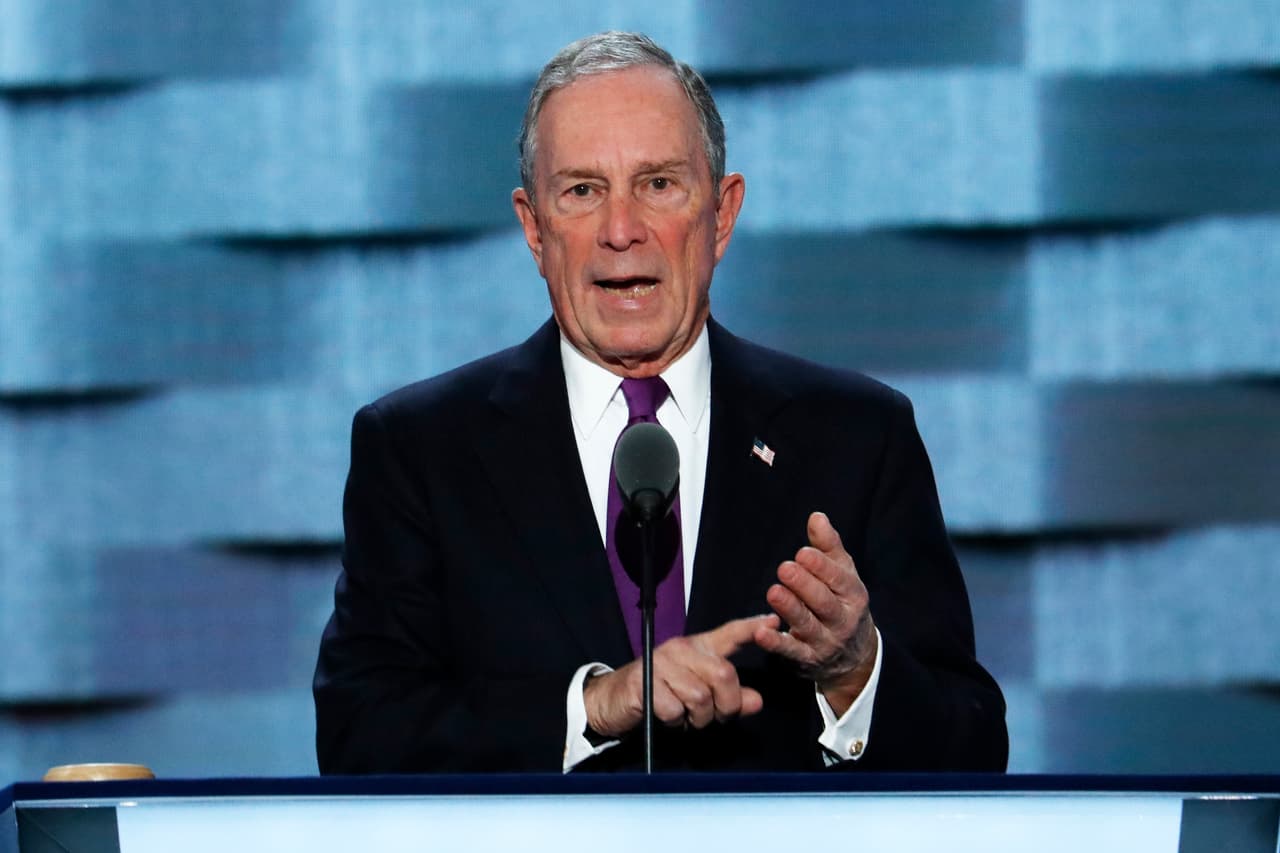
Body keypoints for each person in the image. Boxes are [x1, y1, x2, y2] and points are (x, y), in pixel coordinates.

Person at [313, 31, 1007, 773]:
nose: (621, 231)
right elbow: (361, 736)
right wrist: (593, 705)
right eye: (582, 191)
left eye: (659, 184)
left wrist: (854, 671)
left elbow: (973, 749)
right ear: (534, 229)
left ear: (721, 215)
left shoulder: (859, 437)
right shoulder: (420, 449)